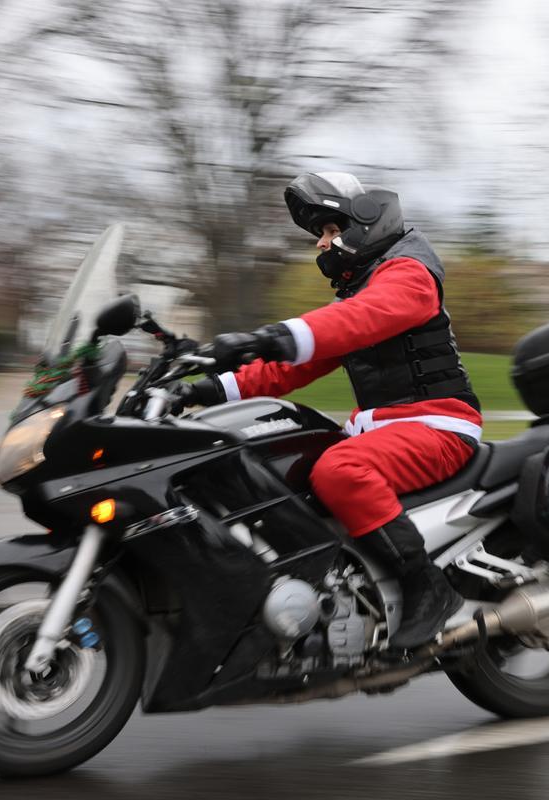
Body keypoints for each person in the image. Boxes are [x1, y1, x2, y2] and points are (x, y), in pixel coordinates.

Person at [174, 172, 482, 648]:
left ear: (364, 222)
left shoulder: (408, 274)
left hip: (438, 426)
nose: (322, 245)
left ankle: (426, 585)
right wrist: (203, 390)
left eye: (330, 230)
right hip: (384, 430)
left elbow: (356, 319)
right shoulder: (360, 294)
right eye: (320, 235)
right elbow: (287, 369)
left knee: (340, 469)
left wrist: (271, 334)